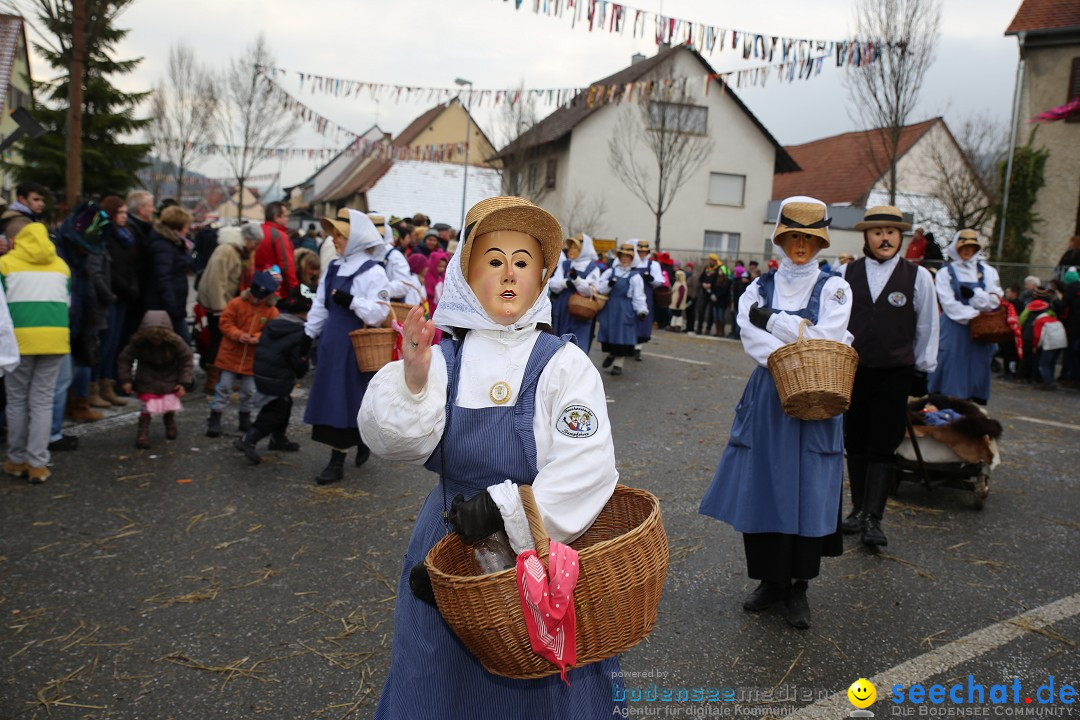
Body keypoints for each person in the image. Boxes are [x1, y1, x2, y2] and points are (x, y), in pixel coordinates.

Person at [358, 195, 620, 718]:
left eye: (522, 262)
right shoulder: (445, 359)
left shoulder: (564, 366)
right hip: (447, 546)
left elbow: (587, 466)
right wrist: (412, 383)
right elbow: (392, 442)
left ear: (542, 277)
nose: (508, 274)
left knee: (538, 681)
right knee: (436, 675)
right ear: (467, 273)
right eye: (493, 260)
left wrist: (507, 518)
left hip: (541, 549)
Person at [699, 197, 853, 630]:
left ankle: (799, 586)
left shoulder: (837, 287)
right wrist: (791, 340)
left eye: (808, 237)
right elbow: (749, 334)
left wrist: (777, 323)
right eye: (792, 237)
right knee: (765, 481)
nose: (799, 245)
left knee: (808, 484)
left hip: (817, 395)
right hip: (770, 393)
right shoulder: (757, 287)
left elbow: (829, 336)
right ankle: (769, 580)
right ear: (781, 238)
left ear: (819, 241)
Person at [839, 206, 939, 548]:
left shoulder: (918, 276)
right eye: (878, 231)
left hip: (894, 372)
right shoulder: (845, 273)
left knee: (883, 443)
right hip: (854, 370)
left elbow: (926, 325)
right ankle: (857, 510)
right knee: (855, 439)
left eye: (892, 232)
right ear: (866, 236)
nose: (885, 237)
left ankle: (874, 519)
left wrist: (922, 369)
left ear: (901, 237)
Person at [304, 210, 390, 485]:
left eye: (339, 235)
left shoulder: (373, 271)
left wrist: (351, 301)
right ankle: (356, 441)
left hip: (354, 344)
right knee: (333, 398)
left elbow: (380, 312)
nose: (334, 240)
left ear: (355, 237)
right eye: (334, 234)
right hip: (332, 342)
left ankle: (337, 460)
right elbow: (320, 303)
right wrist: (307, 334)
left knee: (345, 399)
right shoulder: (334, 267)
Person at [1, 223, 71, 484]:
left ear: (15, 239)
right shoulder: (61, 266)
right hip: (54, 338)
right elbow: (68, 301)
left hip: (19, 340)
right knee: (42, 400)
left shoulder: (5, 264)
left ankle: (17, 460)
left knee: (17, 400)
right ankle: (38, 464)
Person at [234, 286, 312, 464]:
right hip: (278, 377)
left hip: (262, 372)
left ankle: (278, 439)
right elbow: (298, 361)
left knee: (285, 404)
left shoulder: (276, 322)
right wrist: (303, 365)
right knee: (275, 411)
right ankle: (249, 438)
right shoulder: (300, 332)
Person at [927, 229, 1003, 405]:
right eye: (964, 247)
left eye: (971, 246)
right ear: (956, 248)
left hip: (982, 331)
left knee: (977, 365)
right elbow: (948, 303)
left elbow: (995, 300)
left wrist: (976, 296)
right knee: (951, 365)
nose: (967, 251)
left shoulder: (989, 272)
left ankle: (970, 407)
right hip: (955, 328)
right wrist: (976, 314)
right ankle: (946, 405)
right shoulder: (945, 273)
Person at [206, 271, 280, 438]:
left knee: (249, 391)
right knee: (224, 387)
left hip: (252, 358)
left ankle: (244, 416)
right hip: (230, 354)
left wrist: (257, 337)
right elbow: (225, 322)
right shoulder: (236, 303)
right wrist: (237, 334)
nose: (256, 299)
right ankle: (215, 416)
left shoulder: (271, 311)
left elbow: (272, 330)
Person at [118, 310, 194, 449]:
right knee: (146, 408)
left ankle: (169, 422)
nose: (156, 341)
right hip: (147, 379)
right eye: (152, 337)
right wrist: (126, 380)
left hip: (170, 378)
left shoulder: (176, 342)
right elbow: (125, 359)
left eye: (159, 337)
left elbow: (187, 360)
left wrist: (184, 382)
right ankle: (143, 433)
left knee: (169, 405)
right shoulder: (138, 343)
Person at [196, 224, 259, 393]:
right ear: (247, 239)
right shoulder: (226, 251)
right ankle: (213, 382)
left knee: (222, 341)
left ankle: (221, 381)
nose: (256, 247)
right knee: (218, 341)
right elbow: (216, 281)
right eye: (256, 243)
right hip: (217, 305)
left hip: (226, 303)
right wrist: (221, 309)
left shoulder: (240, 252)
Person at [98, 195, 139, 408]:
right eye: (120, 213)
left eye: (125, 213)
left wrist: (132, 287)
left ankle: (109, 383)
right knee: (106, 343)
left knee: (115, 343)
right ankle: (100, 385)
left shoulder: (126, 236)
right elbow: (110, 270)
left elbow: (129, 265)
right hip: (111, 295)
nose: (124, 217)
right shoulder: (106, 237)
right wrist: (124, 287)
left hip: (123, 295)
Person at [144, 205, 195, 343]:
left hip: (170, 305)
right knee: (182, 344)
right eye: (185, 227)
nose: (187, 230)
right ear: (176, 228)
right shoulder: (164, 246)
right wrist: (172, 307)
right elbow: (163, 278)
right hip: (165, 306)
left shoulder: (172, 244)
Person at [596, 243, 647, 376]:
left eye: (627, 256)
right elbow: (600, 288)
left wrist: (642, 310)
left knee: (623, 335)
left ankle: (618, 363)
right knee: (609, 332)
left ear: (632, 258)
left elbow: (639, 295)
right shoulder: (610, 272)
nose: (624, 259)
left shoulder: (635, 276)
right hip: (611, 307)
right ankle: (612, 354)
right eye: (622, 256)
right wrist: (609, 284)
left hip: (626, 308)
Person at [548, 234, 601, 354]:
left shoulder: (593, 267)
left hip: (582, 309)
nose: (571, 250)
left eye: (575, 248)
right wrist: (566, 283)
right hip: (563, 306)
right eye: (570, 247)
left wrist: (577, 281)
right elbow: (553, 285)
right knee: (560, 338)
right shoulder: (566, 264)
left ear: (584, 250)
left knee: (579, 342)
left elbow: (591, 290)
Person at [254, 202, 297, 299]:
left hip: (255, 287)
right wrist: (294, 292)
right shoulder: (280, 236)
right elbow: (287, 267)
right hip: (275, 291)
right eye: (286, 216)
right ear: (276, 217)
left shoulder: (257, 232)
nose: (287, 219)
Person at [632, 239, 664, 359]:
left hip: (646, 294)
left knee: (643, 320)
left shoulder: (653, 265)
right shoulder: (633, 263)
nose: (641, 254)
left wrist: (651, 279)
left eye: (644, 251)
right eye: (639, 251)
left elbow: (659, 282)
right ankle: (629, 343)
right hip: (631, 294)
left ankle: (638, 347)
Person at [1060, 267, 1080, 387]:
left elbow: (1064, 310)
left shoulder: (1069, 292)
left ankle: (1072, 377)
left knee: (1072, 354)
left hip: (1072, 328)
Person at [692, 255, 722, 336]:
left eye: (711, 260)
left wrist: (711, 285)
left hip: (712, 293)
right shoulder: (707, 268)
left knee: (711, 313)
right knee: (701, 310)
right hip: (704, 292)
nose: (710, 261)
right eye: (709, 260)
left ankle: (708, 328)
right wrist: (703, 284)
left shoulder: (718, 269)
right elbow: (701, 278)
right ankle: (699, 327)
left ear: (715, 261)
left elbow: (719, 281)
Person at [425, 249, 449, 314]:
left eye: (444, 267)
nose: (442, 269)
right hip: (431, 305)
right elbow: (429, 292)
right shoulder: (429, 276)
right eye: (440, 266)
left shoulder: (443, 276)